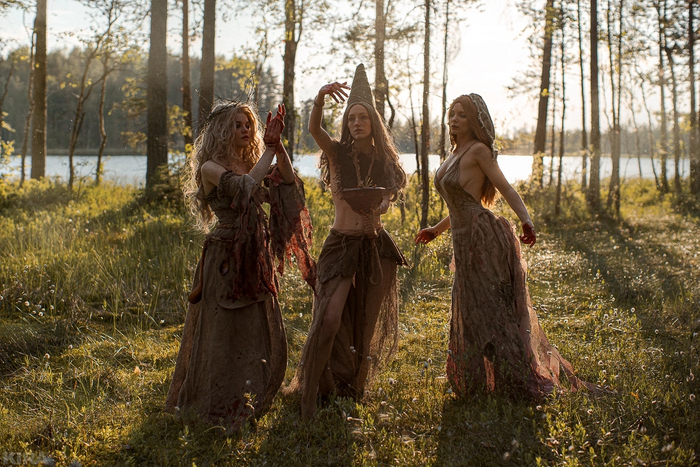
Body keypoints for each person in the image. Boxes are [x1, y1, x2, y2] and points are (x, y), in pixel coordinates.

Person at [415, 94, 599, 399]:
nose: (455, 119)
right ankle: (478, 379)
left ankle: (514, 376)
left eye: (462, 115)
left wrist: (527, 220)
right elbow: (460, 204)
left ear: (475, 121)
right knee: (469, 307)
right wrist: (436, 229)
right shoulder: (454, 152)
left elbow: (506, 188)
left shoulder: (478, 151)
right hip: (462, 238)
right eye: (452, 114)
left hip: (481, 238)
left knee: (489, 308)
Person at [165, 101, 315, 432]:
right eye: (237, 124)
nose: (245, 129)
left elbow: (287, 181)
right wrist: (269, 151)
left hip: (254, 253)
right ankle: (216, 399)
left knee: (255, 324)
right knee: (223, 330)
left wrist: (278, 147)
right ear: (222, 130)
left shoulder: (251, 161)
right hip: (224, 257)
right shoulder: (210, 167)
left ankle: (251, 395)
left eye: (248, 124)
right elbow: (244, 188)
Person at [289, 64, 408, 419]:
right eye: (351, 118)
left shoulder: (384, 160)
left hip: (373, 244)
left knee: (364, 323)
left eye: (363, 117)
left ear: (373, 121)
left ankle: (352, 386)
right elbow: (314, 129)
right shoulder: (337, 153)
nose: (357, 122)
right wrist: (320, 97)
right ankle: (310, 392)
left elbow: (387, 197)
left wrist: (382, 204)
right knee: (329, 318)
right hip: (341, 243)